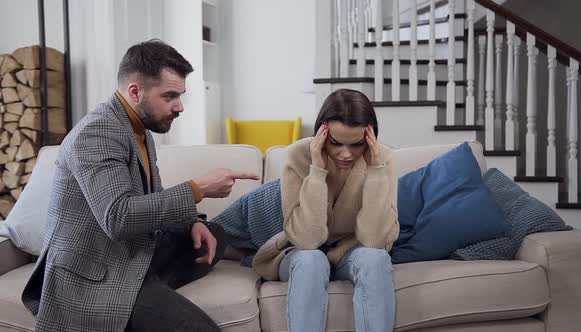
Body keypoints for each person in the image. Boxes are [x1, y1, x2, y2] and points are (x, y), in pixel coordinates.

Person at [21, 40, 259, 332]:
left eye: (180, 96)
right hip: (96, 272)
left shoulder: (138, 128)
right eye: (170, 96)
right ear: (135, 91)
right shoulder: (97, 133)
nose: (179, 106)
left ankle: (148, 286)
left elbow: (153, 194)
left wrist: (189, 222)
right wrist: (198, 188)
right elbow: (119, 217)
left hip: (130, 251)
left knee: (212, 234)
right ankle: (141, 294)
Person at [253, 88, 400, 332]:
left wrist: (375, 171)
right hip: (299, 253)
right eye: (335, 143)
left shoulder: (382, 157)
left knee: (375, 258)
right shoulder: (299, 155)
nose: (345, 154)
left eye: (356, 145)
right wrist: (317, 170)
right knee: (311, 260)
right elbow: (307, 240)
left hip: (349, 252)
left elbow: (374, 240)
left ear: (370, 135)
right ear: (322, 132)